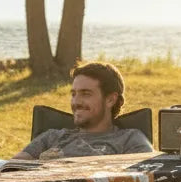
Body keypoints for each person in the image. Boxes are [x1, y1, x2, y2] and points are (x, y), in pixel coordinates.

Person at [13, 61, 154, 159]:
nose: (76, 102)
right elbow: (12, 168)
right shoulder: (52, 137)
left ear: (110, 100)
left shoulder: (130, 140)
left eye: (86, 94)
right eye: (73, 94)